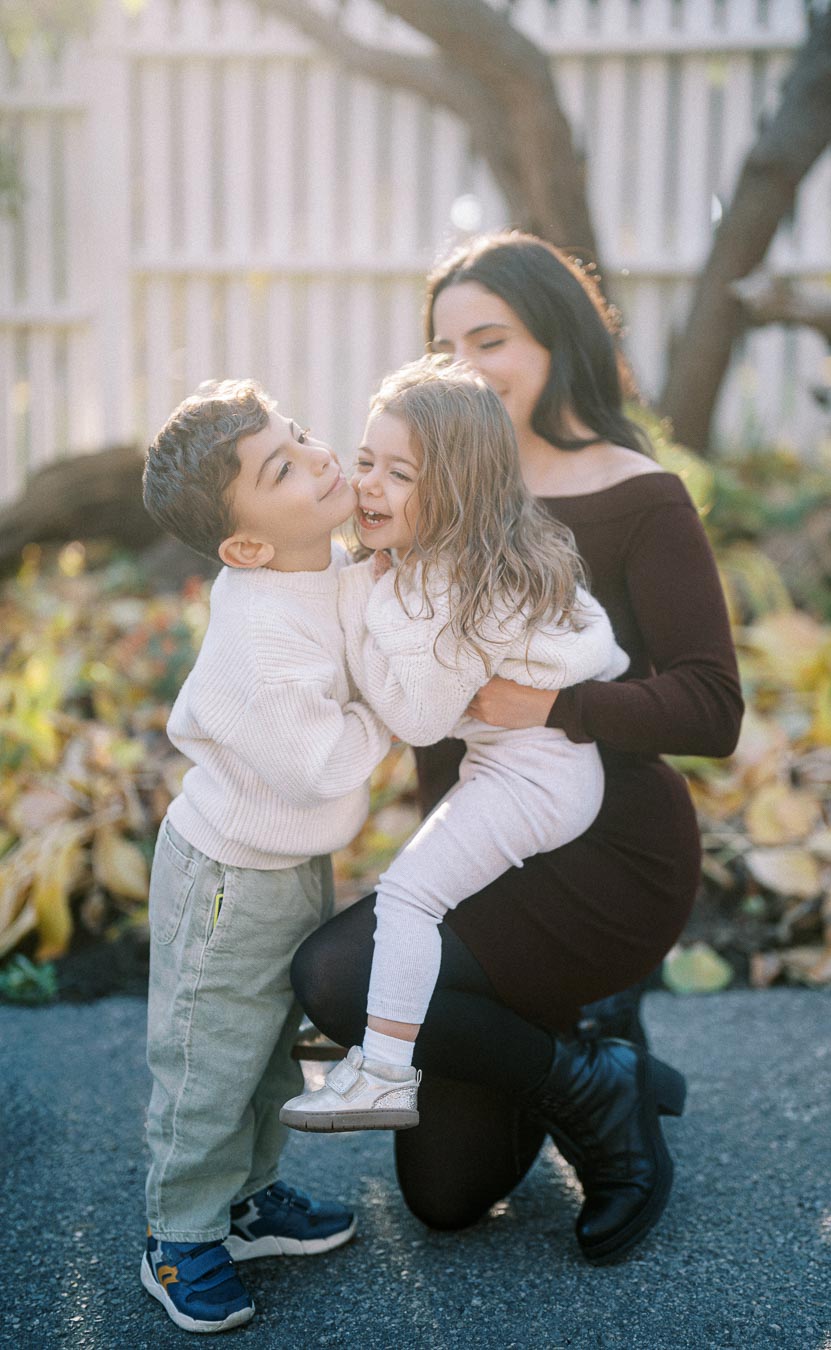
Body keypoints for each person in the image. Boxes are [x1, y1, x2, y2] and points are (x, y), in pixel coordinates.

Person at [289, 232, 744, 1266]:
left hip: (603, 854)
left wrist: (559, 704)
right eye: (443, 348)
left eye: (489, 338)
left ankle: (597, 1075)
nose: (466, 368)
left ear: (557, 340)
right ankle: (584, 1057)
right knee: (447, 1199)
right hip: (483, 850)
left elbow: (713, 708)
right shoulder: (418, 487)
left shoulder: (638, 495)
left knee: (336, 980)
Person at [279, 357, 632, 1132]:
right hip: (531, 768)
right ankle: (378, 1029)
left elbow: (417, 721)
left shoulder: (453, 590)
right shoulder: (465, 558)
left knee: (408, 897)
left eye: (399, 474)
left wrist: (366, 613)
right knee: (412, 890)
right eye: (367, 461)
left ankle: (383, 1073)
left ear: (458, 493)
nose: (370, 484)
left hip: (536, 782)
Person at [139, 379, 392, 1333]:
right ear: (244, 544)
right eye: (283, 466)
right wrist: (388, 717)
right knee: (211, 1060)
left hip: (288, 863)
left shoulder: (314, 563)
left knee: (273, 1054)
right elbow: (319, 763)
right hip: (227, 879)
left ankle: (247, 1200)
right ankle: (180, 1232)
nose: (322, 456)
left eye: (301, 436)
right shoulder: (256, 637)